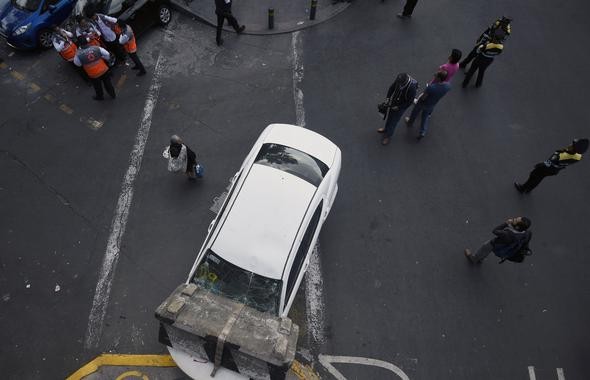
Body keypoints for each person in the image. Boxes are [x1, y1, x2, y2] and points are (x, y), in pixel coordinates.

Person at [514, 138, 588, 193]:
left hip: (548, 167)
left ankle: (522, 188)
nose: (570, 144)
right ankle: (529, 189)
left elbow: (548, 162)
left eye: (572, 145)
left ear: (573, 149)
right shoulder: (578, 157)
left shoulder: (561, 155)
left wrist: (539, 165)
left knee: (533, 175)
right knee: (540, 178)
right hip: (555, 170)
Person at [404, 70, 451, 140]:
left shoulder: (432, 87)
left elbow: (423, 97)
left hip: (423, 103)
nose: (435, 75)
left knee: (415, 112)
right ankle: (422, 131)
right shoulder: (448, 86)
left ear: (439, 78)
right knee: (425, 117)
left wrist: (425, 91)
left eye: (436, 75)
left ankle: (410, 122)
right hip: (432, 104)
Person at [464, 217, 532, 264]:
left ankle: (474, 259)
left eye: (515, 220)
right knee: (486, 251)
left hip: (496, 244)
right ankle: (481, 258)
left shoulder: (508, 235)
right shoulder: (526, 233)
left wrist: (506, 223)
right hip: (505, 247)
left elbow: (495, 231)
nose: (513, 219)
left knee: (485, 248)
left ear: (517, 227)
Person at [376, 73, 418, 145]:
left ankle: (388, 136)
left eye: (400, 83)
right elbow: (392, 87)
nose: (398, 84)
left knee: (394, 121)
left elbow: (409, 102)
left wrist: (399, 107)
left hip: (401, 106)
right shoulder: (399, 79)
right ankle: (386, 129)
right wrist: (388, 98)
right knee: (389, 117)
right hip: (394, 101)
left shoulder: (412, 88)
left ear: (405, 81)